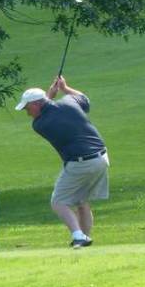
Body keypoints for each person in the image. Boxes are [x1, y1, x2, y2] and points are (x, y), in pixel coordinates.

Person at [15, 75, 110, 249]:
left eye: (28, 108)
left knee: (58, 202)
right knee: (81, 201)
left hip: (80, 163)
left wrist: (50, 95)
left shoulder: (40, 124)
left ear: (36, 104)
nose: (27, 113)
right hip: (101, 159)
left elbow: (45, 112)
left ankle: (78, 236)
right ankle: (85, 238)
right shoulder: (70, 101)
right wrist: (65, 88)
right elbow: (84, 99)